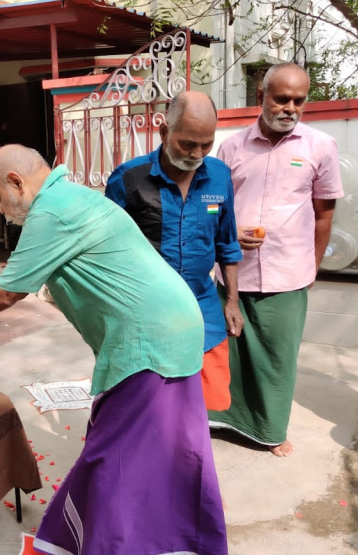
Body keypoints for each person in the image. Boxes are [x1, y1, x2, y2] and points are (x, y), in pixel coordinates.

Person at [0, 145, 228, 554]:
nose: (1, 210)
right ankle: (177, 541)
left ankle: (111, 544)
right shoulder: (72, 195)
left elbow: (6, 293)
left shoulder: (50, 211)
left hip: (150, 341)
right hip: (174, 329)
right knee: (168, 452)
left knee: (115, 458)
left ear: (16, 182)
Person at [211, 63, 343, 457]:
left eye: (298, 101)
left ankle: (270, 430)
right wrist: (229, 236)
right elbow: (215, 207)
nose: (289, 108)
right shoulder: (231, 147)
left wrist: (312, 267)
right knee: (231, 351)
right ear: (261, 98)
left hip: (289, 270)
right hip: (235, 270)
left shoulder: (320, 146)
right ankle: (226, 421)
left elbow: (324, 214)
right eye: (281, 98)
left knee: (277, 355)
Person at [105, 91, 243, 411]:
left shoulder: (220, 176)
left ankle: (189, 453)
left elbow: (227, 242)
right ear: (164, 132)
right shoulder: (128, 179)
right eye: (187, 144)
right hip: (144, 311)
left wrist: (233, 301)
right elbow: (105, 251)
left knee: (209, 399)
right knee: (148, 403)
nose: (197, 153)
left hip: (201, 307)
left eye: (206, 145)